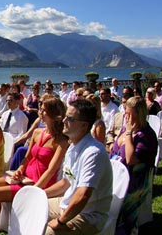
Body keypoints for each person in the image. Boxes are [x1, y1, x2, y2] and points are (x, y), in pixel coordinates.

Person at [0, 97, 69, 235]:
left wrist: (34, 190)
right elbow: (27, 158)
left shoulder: (61, 141)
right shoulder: (37, 133)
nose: (40, 112)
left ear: (54, 114)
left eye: (44, 110)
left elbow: (51, 170)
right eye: (41, 109)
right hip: (24, 177)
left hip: (39, 182)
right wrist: (20, 170)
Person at [44, 99, 113, 235]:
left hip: (88, 215)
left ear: (84, 125)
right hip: (67, 204)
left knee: (47, 233)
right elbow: (65, 183)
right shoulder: (73, 146)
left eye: (69, 118)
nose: (63, 120)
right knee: (32, 205)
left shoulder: (93, 153)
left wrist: (60, 221)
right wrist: (40, 194)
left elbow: (83, 195)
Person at [109, 97, 158, 235]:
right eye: (125, 112)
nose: (125, 116)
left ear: (139, 114)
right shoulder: (125, 128)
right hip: (117, 174)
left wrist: (129, 133)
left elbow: (130, 159)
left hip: (134, 180)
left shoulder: (146, 135)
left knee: (124, 204)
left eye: (129, 114)